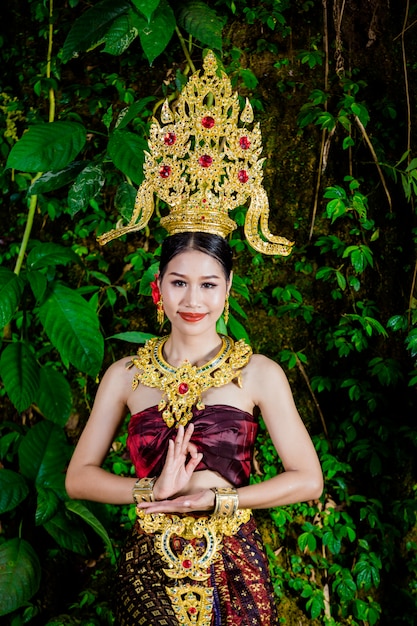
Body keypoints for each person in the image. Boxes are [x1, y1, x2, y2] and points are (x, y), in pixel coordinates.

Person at [65, 52, 323, 626]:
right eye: (179, 282)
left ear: (228, 290)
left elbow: (308, 479)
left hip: (233, 559)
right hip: (148, 566)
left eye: (208, 284)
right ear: (158, 287)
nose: (193, 300)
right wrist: (151, 489)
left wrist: (219, 499)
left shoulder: (259, 373)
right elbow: (78, 477)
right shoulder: (126, 375)